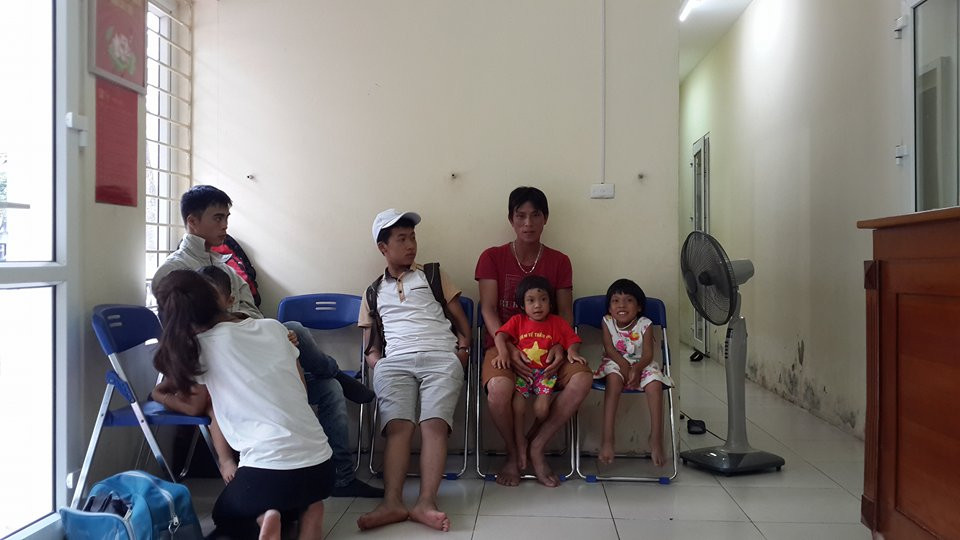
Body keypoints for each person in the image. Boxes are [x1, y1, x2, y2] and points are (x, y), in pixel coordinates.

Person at [152, 184, 381, 498]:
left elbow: (251, 312)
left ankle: (341, 477)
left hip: (249, 362)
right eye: (218, 218)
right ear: (192, 221)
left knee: (327, 386)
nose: (225, 225)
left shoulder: (226, 268)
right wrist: (253, 331)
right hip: (223, 373)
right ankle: (333, 372)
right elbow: (179, 333)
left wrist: (265, 337)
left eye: (227, 217)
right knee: (292, 330)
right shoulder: (172, 273)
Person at [152, 270, 333, 540]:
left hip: (268, 473)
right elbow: (301, 389)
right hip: (323, 467)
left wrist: (159, 395)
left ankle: (264, 517)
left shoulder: (201, 349)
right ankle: (310, 512)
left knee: (225, 516)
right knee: (291, 494)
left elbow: (195, 407)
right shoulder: (274, 328)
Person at [356, 209, 472, 532]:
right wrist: (378, 364)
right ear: (383, 248)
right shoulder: (372, 292)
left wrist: (462, 351)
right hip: (395, 363)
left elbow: (463, 324)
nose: (411, 245)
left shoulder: (432, 275)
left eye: (413, 238)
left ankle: (426, 503)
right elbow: (370, 347)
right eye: (402, 239)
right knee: (398, 426)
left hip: (441, 356)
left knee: (434, 424)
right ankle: (392, 502)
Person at [475, 186, 592, 487]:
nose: (528, 223)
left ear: (545, 218)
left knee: (582, 379)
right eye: (521, 216)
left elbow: (565, 312)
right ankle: (514, 453)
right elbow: (488, 309)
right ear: (511, 219)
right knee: (499, 390)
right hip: (503, 344)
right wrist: (506, 347)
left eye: (535, 215)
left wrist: (559, 345)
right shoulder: (491, 257)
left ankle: (536, 446)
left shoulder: (560, 261)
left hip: (551, 344)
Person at [494, 275, 587, 476]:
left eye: (543, 299)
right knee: (518, 406)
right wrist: (502, 353)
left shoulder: (557, 322)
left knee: (542, 410)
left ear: (550, 302)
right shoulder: (518, 321)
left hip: (546, 375)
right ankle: (520, 442)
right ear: (522, 305)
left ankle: (531, 438)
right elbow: (500, 335)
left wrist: (572, 352)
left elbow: (572, 339)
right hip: (524, 373)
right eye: (531, 300)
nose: (538, 305)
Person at [594, 279, 674, 466]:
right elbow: (609, 348)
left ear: (639, 307)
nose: (621, 305)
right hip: (615, 362)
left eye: (628, 300)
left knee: (655, 384)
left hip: (642, 363)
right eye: (615, 301)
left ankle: (656, 439)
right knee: (614, 380)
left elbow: (648, 354)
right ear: (609, 307)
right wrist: (624, 366)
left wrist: (636, 369)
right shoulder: (607, 321)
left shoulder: (645, 324)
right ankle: (607, 439)